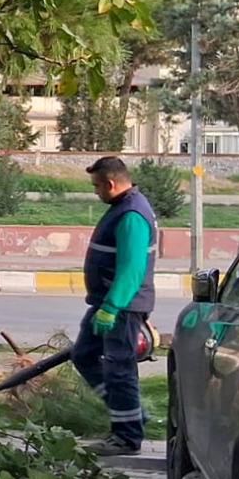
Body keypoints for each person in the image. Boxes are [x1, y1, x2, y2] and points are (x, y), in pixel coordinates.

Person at [74, 156, 157, 457]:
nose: (96, 192)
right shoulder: (123, 207)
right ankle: (130, 413)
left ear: (111, 183)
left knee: (119, 369)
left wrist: (111, 307)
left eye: (97, 186)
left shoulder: (132, 214)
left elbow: (132, 269)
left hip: (120, 307)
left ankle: (126, 435)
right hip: (107, 303)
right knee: (83, 355)